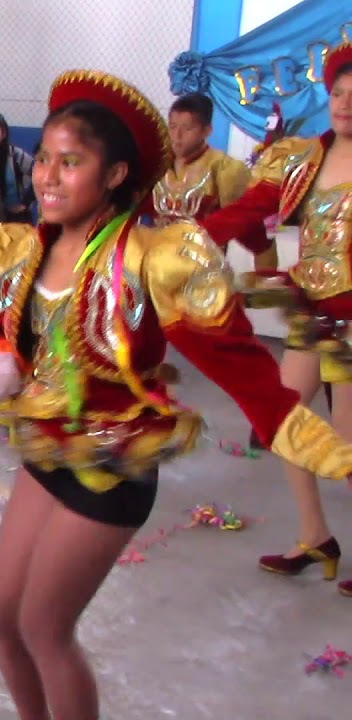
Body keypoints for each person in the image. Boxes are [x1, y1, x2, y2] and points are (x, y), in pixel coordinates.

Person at [0, 69, 352, 720]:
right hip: (47, 446)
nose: (48, 178)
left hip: (115, 463)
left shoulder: (152, 261)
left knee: (43, 627)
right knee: (3, 617)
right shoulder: (20, 251)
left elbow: (247, 374)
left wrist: (331, 452)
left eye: (71, 162)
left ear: (115, 175)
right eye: (44, 160)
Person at [198, 42, 352, 598]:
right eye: (339, 93)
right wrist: (189, 240)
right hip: (314, 313)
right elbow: (249, 209)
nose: (345, 103)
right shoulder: (305, 158)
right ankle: (316, 536)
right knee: (282, 421)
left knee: (346, 444)